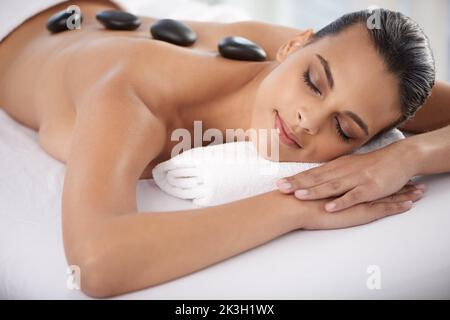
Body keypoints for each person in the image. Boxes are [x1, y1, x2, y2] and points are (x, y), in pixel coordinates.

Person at [0, 0, 446, 297]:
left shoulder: (345, 69)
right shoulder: (133, 92)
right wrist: (297, 206)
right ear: (292, 45)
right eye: (312, 82)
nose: (308, 119)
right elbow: (96, 262)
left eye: (345, 130)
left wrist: (406, 156)